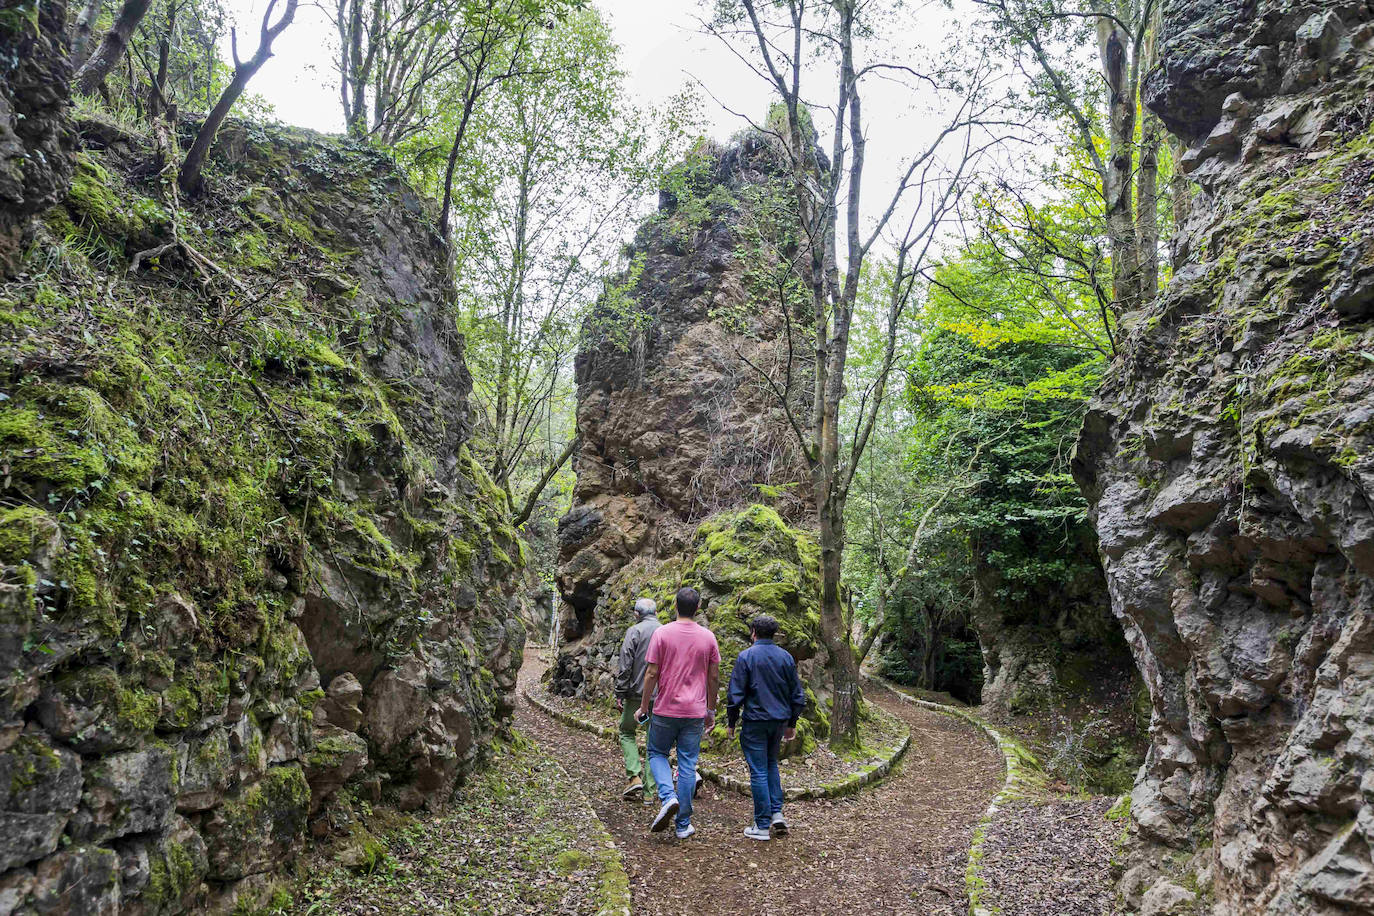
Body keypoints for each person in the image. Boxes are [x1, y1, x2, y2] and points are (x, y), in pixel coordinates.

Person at [636, 586, 720, 840]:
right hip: (694, 711)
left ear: (674, 606)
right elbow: (713, 676)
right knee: (687, 764)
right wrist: (711, 709)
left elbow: (651, 672)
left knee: (656, 752)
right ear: (698, 608)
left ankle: (667, 796)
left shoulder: (662, 634)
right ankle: (683, 824)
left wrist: (643, 707)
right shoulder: (708, 637)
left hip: (665, 708)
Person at [726, 614, 807, 841]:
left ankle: (761, 825)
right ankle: (776, 812)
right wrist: (791, 724)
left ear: (753, 632)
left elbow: (736, 694)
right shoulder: (786, 658)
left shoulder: (746, 657)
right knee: (771, 764)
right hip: (779, 721)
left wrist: (731, 722)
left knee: (758, 770)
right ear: (775, 633)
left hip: (755, 721)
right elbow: (797, 695)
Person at [615, 597, 661, 802]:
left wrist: (620, 692)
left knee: (626, 731)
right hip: (660, 696)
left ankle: (634, 776)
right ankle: (651, 792)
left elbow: (625, 665)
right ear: (656, 613)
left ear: (636, 614)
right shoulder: (665, 631)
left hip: (636, 694)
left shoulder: (634, 631)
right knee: (654, 741)